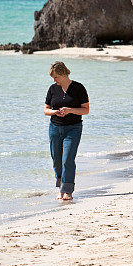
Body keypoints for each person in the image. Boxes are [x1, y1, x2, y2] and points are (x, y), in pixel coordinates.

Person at [44, 61, 89, 201]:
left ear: (63, 74)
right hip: (55, 128)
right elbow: (45, 110)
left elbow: (86, 110)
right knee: (56, 160)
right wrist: (54, 112)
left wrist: (70, 110)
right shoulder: (52, 89)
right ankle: (60, 190)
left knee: (67, 159)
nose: (54, 80)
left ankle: (68, 191)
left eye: (56, 76)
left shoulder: (78, 88)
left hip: (73, 128)